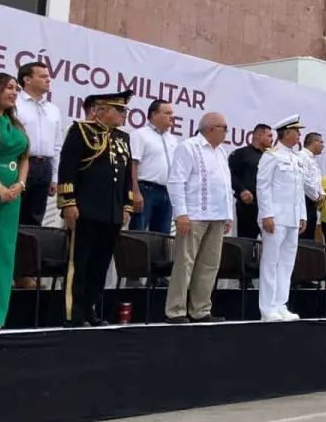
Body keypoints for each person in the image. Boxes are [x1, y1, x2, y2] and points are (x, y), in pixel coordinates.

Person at [58, 90, 134, 327]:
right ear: (102, 110)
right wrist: (68, 202)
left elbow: (125, 175)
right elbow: (67, 168)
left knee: (100, 264)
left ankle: (91, 309)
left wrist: (127, 204)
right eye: (119, 110)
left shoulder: (123, 138)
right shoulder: (80, 131)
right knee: (80, 263)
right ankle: (74, 313)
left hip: (111, 212)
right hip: (85, 209)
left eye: (124, 111)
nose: (123, 115)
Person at [164, 113, 232, 324]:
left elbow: (225, 186)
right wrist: (181, 214)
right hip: (193, 215)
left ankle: (201, 309)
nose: (227, 132)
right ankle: (176, 310)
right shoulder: (189, 147)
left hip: (217, 216)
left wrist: (228, 215)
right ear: (212, 128)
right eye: (224, 128)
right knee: (185, 263)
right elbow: (176, 181)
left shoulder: (220, 151)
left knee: (210, 264)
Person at [255, 115, 307, 322]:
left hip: (292, 218)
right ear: (286, 133)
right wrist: (267, 214)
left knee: (286, 263)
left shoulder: (296, 159)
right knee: (271, 262)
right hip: (275, 217)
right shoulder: (272, 155)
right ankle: (267, 308)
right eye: (296, 131)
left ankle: (280, 304)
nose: (299, 135)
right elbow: (263, 185)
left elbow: (298, 190)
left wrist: (302, 214)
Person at [0, 73, 29, 329]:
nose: (14, 92)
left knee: (4, 251)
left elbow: (24, 158)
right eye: (8, 87)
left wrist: (20, 184)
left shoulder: (16, 124)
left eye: (16, 89)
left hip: (12, 195)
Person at [14, 62, 60, 231]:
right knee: (14, 214)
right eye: (43, 76)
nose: (48, 80)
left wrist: (54, 177)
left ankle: (26, 257)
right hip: (20, 163)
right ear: (27, 79)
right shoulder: (15, 104)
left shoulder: (53, 109)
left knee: (35, 219)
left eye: (48, 76)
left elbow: (57, 146)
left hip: (44, 167)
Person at [130, 99, 179, 234]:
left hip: (167, 193)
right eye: (167, 113)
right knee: (138, 233)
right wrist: (135, 192)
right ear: (154, 115)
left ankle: (156, 257)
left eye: (172, 113)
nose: (172, 116)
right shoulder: (140, 134)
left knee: (162, 238)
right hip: (145, 191)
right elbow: (132, 164)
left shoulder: (173, 140)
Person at [229, 124, 272, 240]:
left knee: (268, 242)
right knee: (246, 242)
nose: (272, 139)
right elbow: (230, 174)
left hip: (266, 207)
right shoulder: (241, 153)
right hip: (247, 206)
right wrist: (241, 190)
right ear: (259, 135)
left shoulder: (270, 157)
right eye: (269, 136)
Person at [297, 132, 326, 241]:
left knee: (309, 236)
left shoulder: (312, 159)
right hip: (304, 201)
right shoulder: (301, 156)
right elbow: (304, 179)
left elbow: (316, 181)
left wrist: (322, 193)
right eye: (321, 142)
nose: (323, 145)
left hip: (311, 202)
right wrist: (316, 196)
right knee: (303, 237)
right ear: (314, 142)